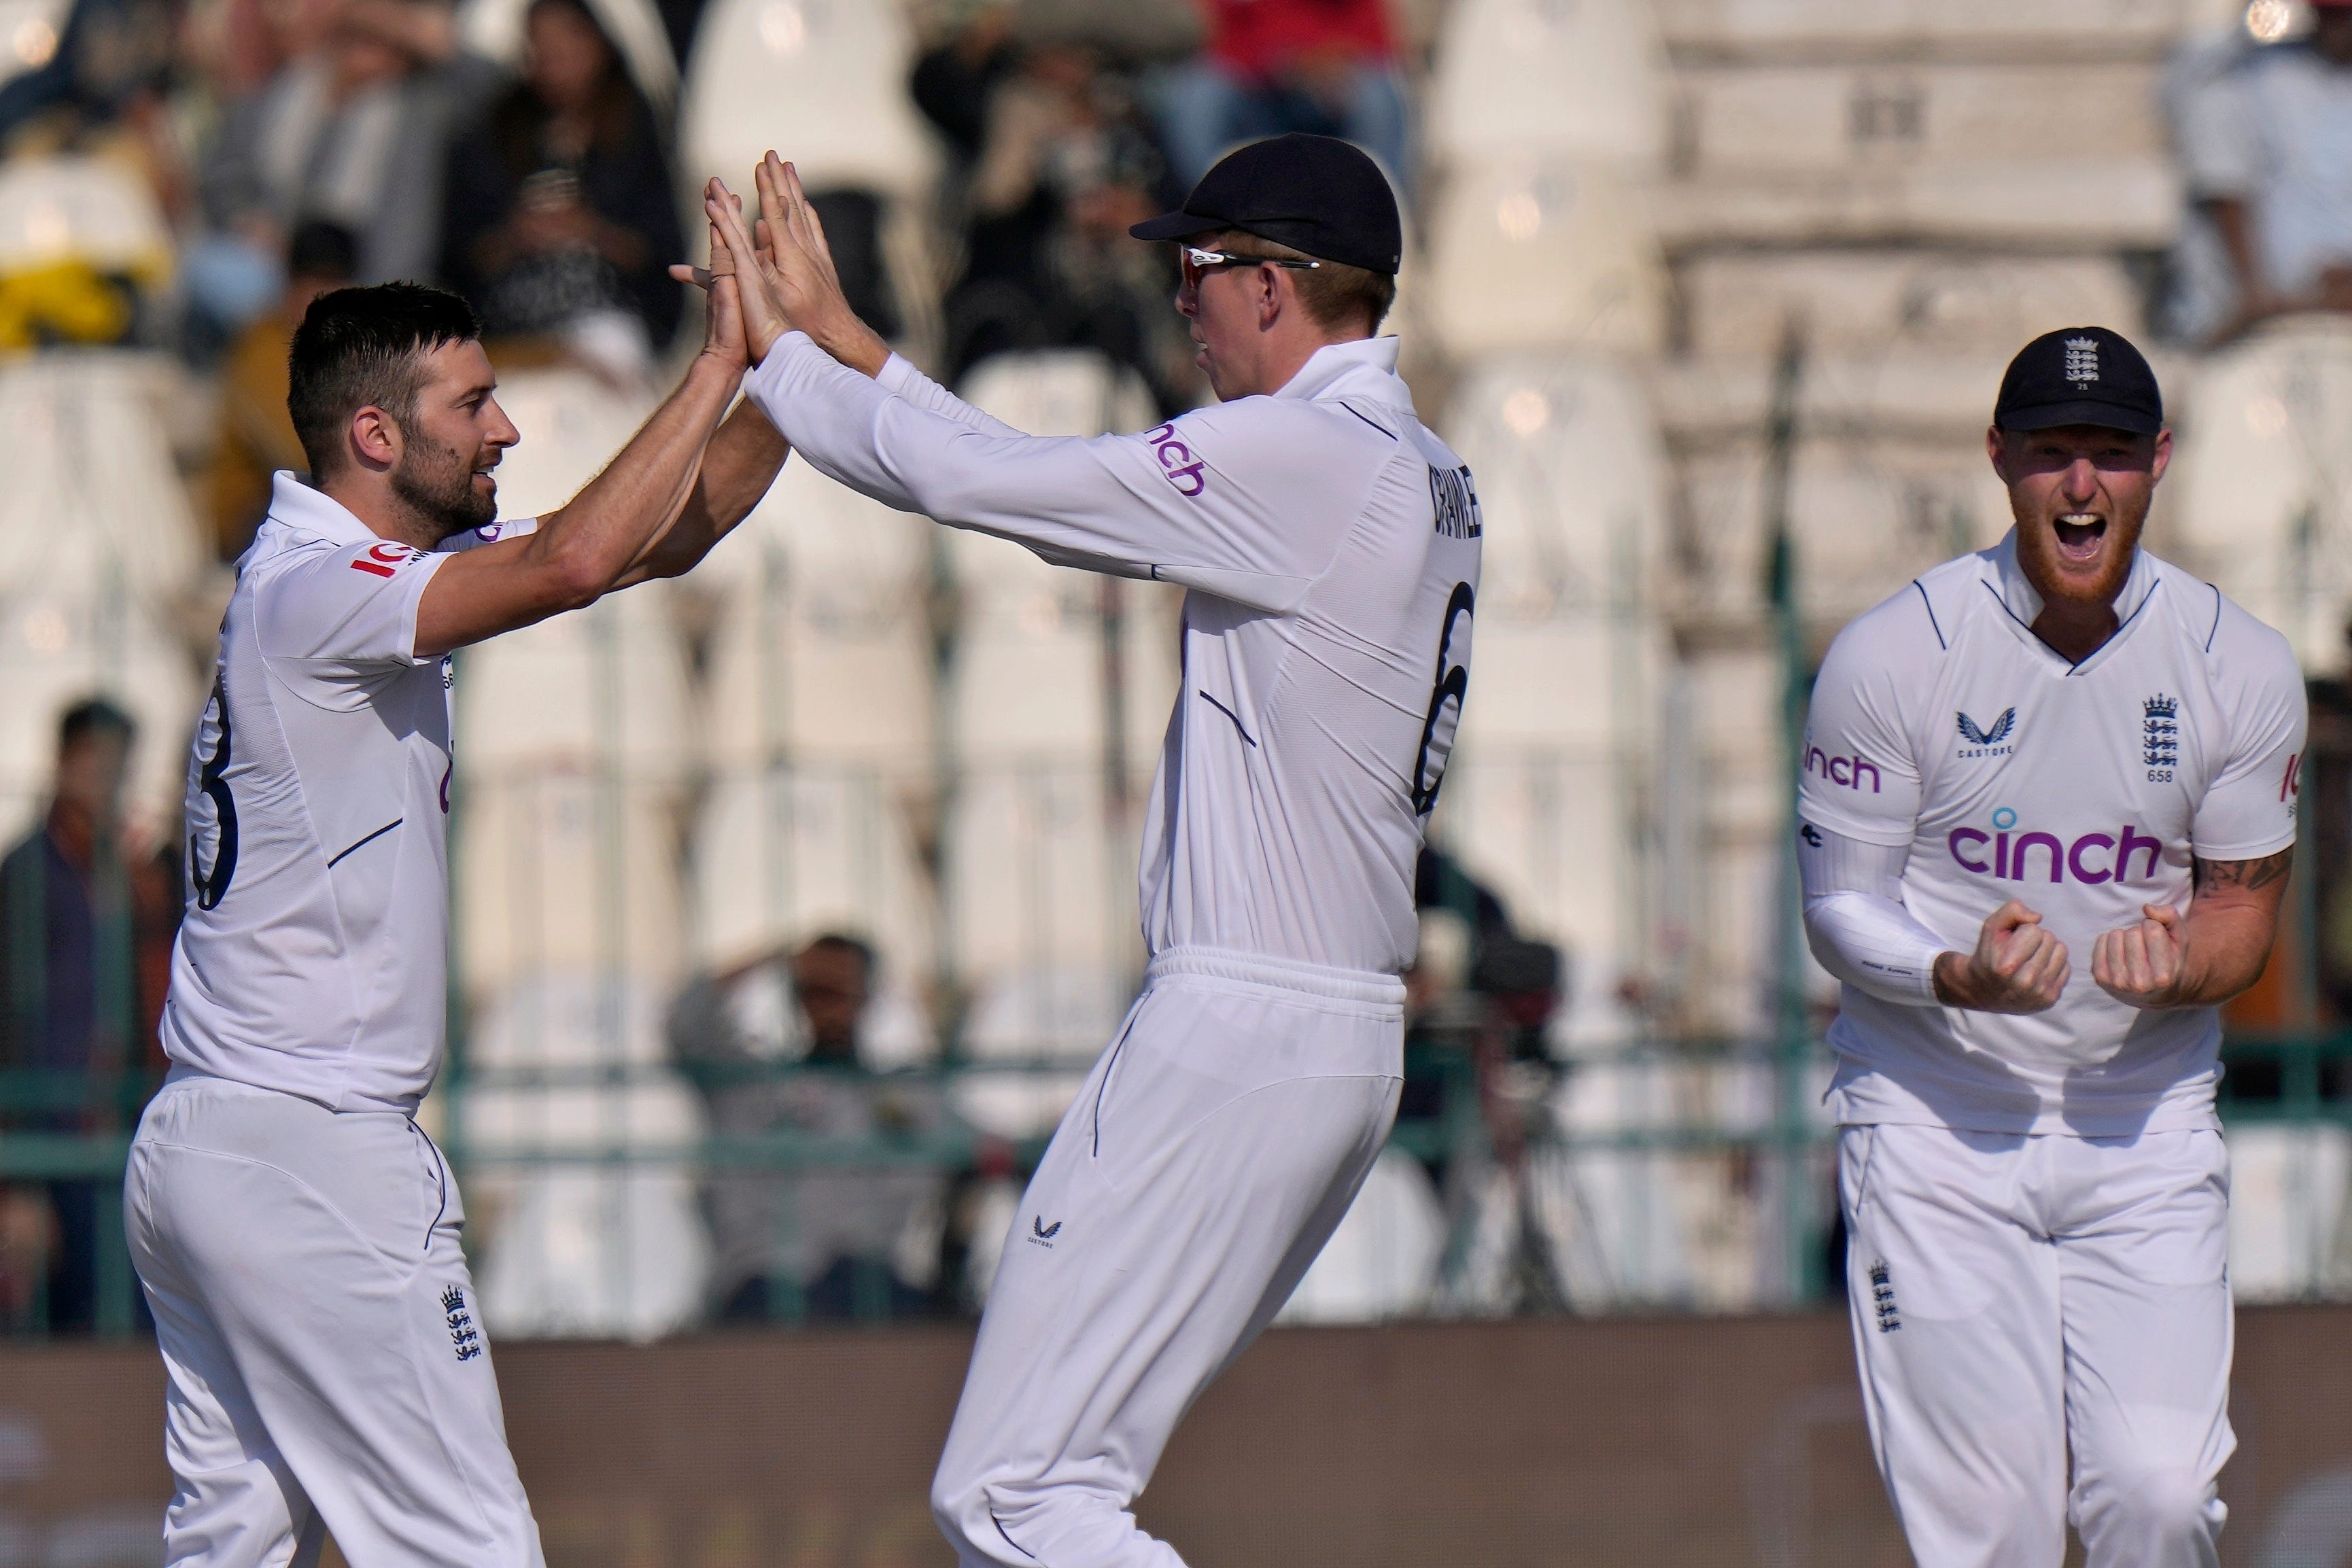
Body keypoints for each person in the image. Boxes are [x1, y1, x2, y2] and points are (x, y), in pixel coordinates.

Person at [712, 130, 1474, 1565]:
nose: (1177, 302)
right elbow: (1009, 462)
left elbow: (995, 491)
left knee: (1016, 1492)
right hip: (1332, 1030)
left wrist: (776, 359)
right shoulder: (1416, 464)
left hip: (1239, 1023)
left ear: (1275, 285)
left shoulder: (1303, 452)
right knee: (1063, 1483)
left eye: (1197, 270)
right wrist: (840, 339)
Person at [124, 213, 786, 1566]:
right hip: (314, 1153)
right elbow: (578, 561)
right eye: (475, 403)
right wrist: (717, 358)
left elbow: (655, 535)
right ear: (376, 435)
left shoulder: (355, 571)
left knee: (229, 1550)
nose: (506, 430)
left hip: (210, 1144)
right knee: (464, 1549)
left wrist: (796, 376)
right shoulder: (325, 589)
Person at [1797, 326, 2306, 1567]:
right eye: (2053, 452)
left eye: (2113, 453)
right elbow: (1839, 906)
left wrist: (2178, 964)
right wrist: (1954, 973)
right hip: (1937, 1121)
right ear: (2000, 459)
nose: (2083, 483)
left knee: (2160, 1499)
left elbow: (2242, 911)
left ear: (2160, 463)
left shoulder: (2234, 663)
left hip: (2142, 1122)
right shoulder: (1895, 653)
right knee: (1999, 1536)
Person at [0, 699, 179, 1335]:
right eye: (96, 762)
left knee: (133, 1311)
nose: (109, 780)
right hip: (53, 1128)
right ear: (65, 762)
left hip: (129, 1122)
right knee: (63, 1314)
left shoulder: (137, 874)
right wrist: (14, 1169)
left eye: (119, 765)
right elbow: (14, 1016)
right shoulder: (26, 872)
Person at [668, 932, 955, 1323]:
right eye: (814, 991)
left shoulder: (905, 1097)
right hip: (760, 1285)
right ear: (796, 996)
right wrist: (776, 953)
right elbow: (687, 1021)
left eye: (841, 991)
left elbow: (984, 1145)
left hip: (866, 1284)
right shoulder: (748, 1085)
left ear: (867, 997)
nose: (829, 1009)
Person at [439, 0, 685, 374]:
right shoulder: (495, 131)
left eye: (566, 46)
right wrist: (517, 237)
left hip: (610, 327)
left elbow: (662, 254)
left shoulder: (633, 133)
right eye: (540, 47)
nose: (553, 60)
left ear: (599, 46)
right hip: (512, 335)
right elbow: (460, 258)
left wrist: (592, 231)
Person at [2168, 0, 2352, 342]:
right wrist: (2262, 298)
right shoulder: (2244, 79)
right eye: (2334, 13)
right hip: (2261, 331)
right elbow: (2225, 187)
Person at [205, 220, 359, 561]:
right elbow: (293, 449)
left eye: (335, 283)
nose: (323, 299)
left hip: (325, 510)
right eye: (312, 284)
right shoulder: (263, 347)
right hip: (255, 522)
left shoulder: (348, 348)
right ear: (290, 285)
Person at [1152, 0, 1409, 197]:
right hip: (1257, 90)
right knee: (1195, 95)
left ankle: (1374, 224)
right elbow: (1221, 37)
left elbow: (1377, 41)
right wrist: (1285, 58)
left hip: (1332, 85)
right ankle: (1215, 218)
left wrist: (1333, 56)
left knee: (1378, 98)